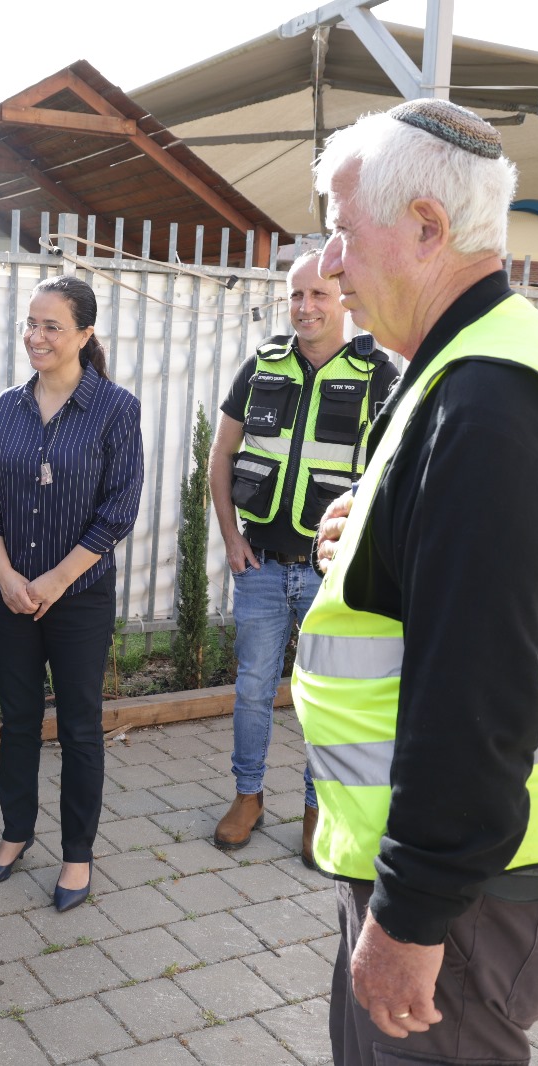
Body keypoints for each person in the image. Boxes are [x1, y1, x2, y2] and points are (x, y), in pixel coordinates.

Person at [292, 99, 538, 1065]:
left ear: (429, 229)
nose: (330, 264)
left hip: (480, 887)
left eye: (342, 233)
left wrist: (412, 918)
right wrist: (377, 538)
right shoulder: (476, 362)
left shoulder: (483, 403)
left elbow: (474, 695)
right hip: (487, 866)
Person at [208, 250, 396, 866]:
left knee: (326, 695)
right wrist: (233, 539)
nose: (305, 307)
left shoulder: (378, 376)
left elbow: (393, 475)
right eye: (295, 296)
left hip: (330, 576)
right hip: (259, 564)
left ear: (343, 296)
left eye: (318, 295)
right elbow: (221, 457)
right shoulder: (261, 367)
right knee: (254, 688)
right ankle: (248, 796)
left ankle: (319, 810)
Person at [0, 274, 143, 913]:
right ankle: (16, 833)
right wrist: (8, 575)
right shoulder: (6, 409)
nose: (36, 337)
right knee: (17, 720)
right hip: (10, 593)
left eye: (52, 327)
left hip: (80, 598)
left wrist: (54, 580)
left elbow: (118, 509)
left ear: (84, 334)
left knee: (79, 728)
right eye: (31, 324)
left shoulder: (114, 409)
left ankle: (77, 854)